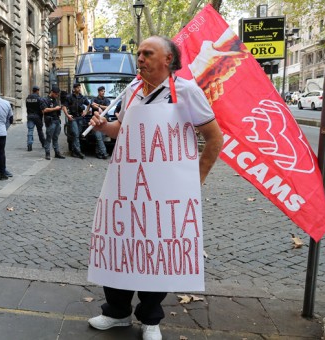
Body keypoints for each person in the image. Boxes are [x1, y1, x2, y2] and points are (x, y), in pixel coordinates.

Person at [87, 36, 223, 340]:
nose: (141, 58)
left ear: (168, 60)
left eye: (148, 53)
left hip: (167, 193)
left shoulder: (186, 91)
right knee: (121, 245)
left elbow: (215, 138)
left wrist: (194, 182)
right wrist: (102, 127)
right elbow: (121, 131)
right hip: (127, 189)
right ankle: (117, 312)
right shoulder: (132, 90)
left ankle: (150, 318)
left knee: (158, 249)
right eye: (139, 54)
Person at [65, 83, 90, 159]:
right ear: (74, 88)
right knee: (75, 134)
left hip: (80, 118)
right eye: (78, 87)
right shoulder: (69, 97)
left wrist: (85, 111)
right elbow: (64, 106)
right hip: (73, 118)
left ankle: (73, 151)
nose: (79, 89)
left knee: (77, 135)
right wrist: (67, 115)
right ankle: (79, 152)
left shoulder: (82, 97)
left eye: (80, 87)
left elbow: (89, 104)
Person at [42, 87, 66, 160]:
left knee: (55, 137)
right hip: (50, 121)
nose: (57, 96)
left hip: (56, 121)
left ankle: (57, 152)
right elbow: (44, 110)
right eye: (56, 94)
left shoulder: (55, 100)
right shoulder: (45, 100)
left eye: (58, 95)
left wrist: (59, 108)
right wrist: (55, 108)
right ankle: (47, 153)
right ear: (51, 92)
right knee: (49, 137)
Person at [90, 86, 110, 159]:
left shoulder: (107, 100)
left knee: (102, 138)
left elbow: (108, 107)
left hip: (104, 121)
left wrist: (98, 105)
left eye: (104, 91)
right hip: (96, 121)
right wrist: (99, 107)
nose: (103, 92)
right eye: (102, 91)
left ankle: (98, 153)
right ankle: (104, 153)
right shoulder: (94, 99)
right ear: (98, 92)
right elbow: (92, 105)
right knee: (99, 137)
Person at [25, 85, 46, 151]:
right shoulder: (39, 98)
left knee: (30, 130)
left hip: (30, 116)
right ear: (37, 91)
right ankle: (43, 144)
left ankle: (29, 144)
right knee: (40, 131)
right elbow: (42, 108)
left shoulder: (28, 98)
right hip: (38, 117)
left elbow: (27, 107)